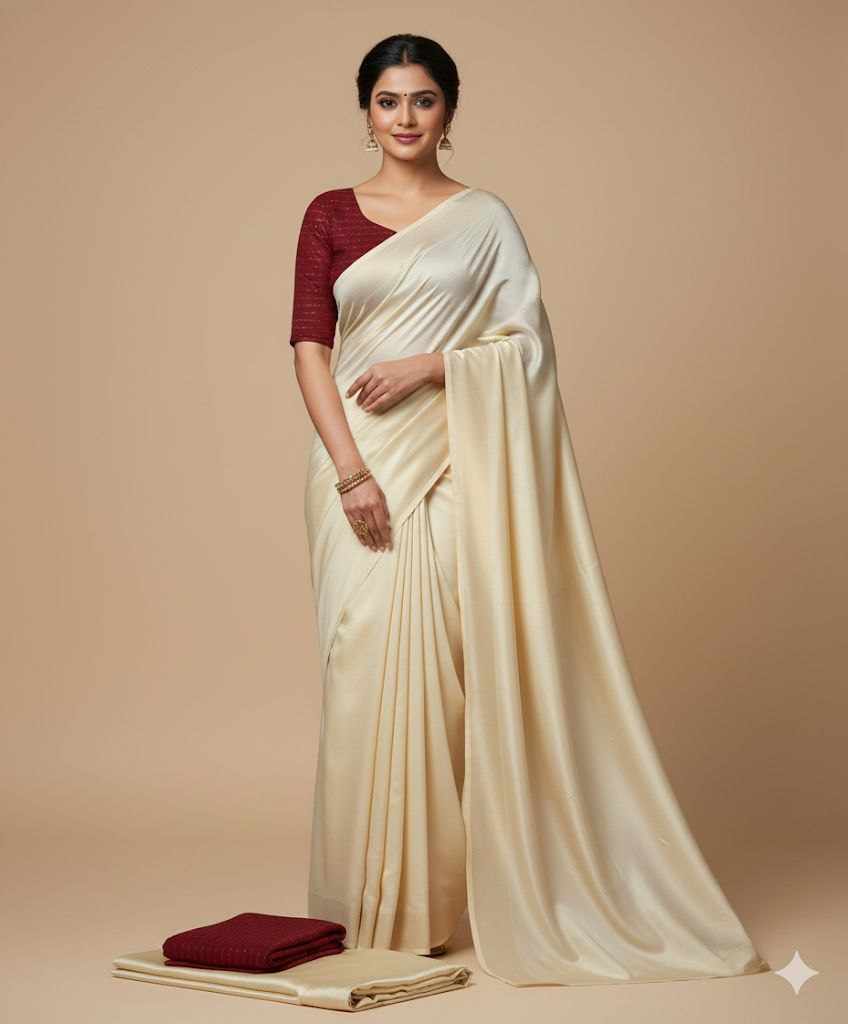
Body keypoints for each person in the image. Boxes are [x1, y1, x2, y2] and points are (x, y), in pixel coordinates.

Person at [289, 33, 770, 988]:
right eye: (389, 101)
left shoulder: (485, 219)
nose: (406, 118)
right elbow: (310, 348)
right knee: (361, 665)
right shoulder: (328, 214)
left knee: (447, 670)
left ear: (450, 111)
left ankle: (427, 909)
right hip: (359, 461)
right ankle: (364, 905)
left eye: (424, 100)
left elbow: (528, 344)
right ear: (366, 113)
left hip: (454, 461)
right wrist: (351, 473)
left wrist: (434, 365)